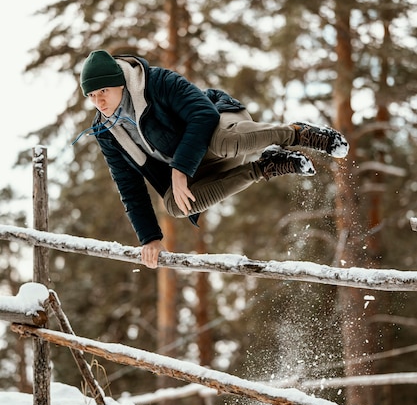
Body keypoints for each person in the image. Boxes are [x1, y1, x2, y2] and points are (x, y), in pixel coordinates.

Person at [77, 50, 349, 268]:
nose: (99, 101)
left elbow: (204, 115)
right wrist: (150, 238)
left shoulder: (157, 82)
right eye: (92, 95)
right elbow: (129, 185)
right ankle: (265, 166)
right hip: (201, 163)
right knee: (175, 204)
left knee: (224, 142)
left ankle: (297, 134)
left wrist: (179, 169)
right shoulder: (106, 130)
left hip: (223, 127)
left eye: (104, 91)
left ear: (120, 83)